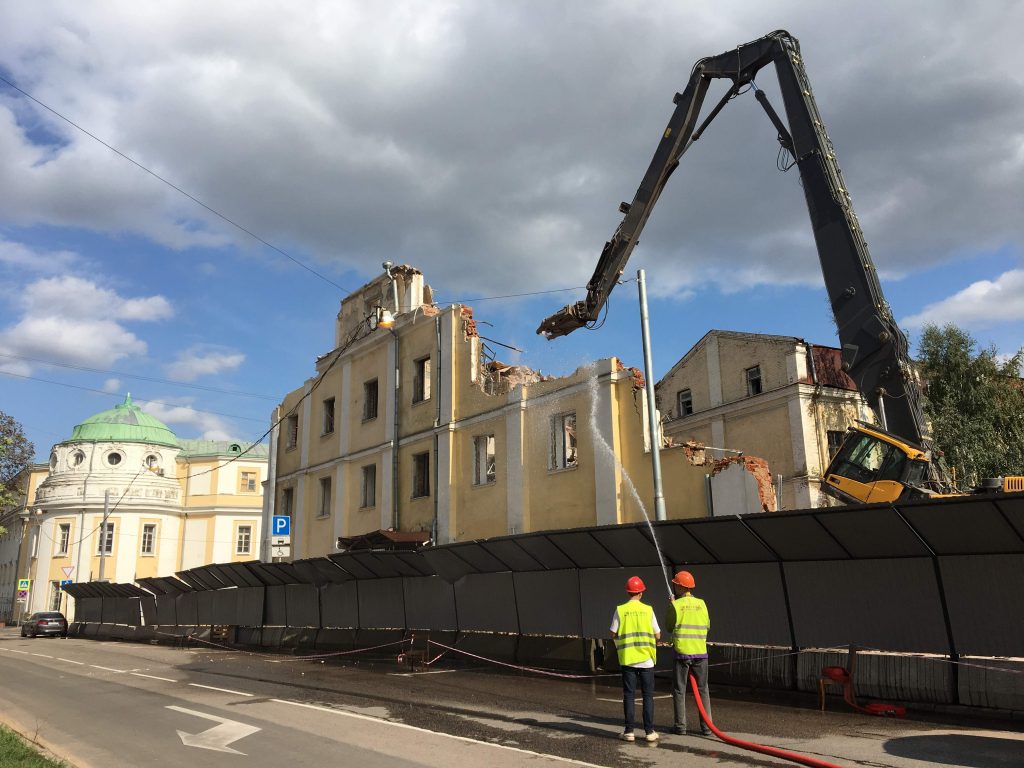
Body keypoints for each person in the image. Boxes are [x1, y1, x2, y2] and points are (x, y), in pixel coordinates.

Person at [610, 575, 661, 743]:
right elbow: (657, 634)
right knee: (648, 695)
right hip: (646, 659)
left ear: (628, 592)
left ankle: (629, 731)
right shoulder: (649, 609)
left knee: (629, 695)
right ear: (640, 593)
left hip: (628, 659)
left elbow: (612, 633)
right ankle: (649, 732)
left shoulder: (620, 610)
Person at [666, 570, 712, 736]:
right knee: (703, 689)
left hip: (682, 653)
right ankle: (707, 727)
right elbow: (707, 626)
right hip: (701, 652)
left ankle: (680, 726)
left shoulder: (676, 605)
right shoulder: (702, 603)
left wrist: (671, 606)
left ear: (679, 587)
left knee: (679, 690)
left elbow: (669, 626)